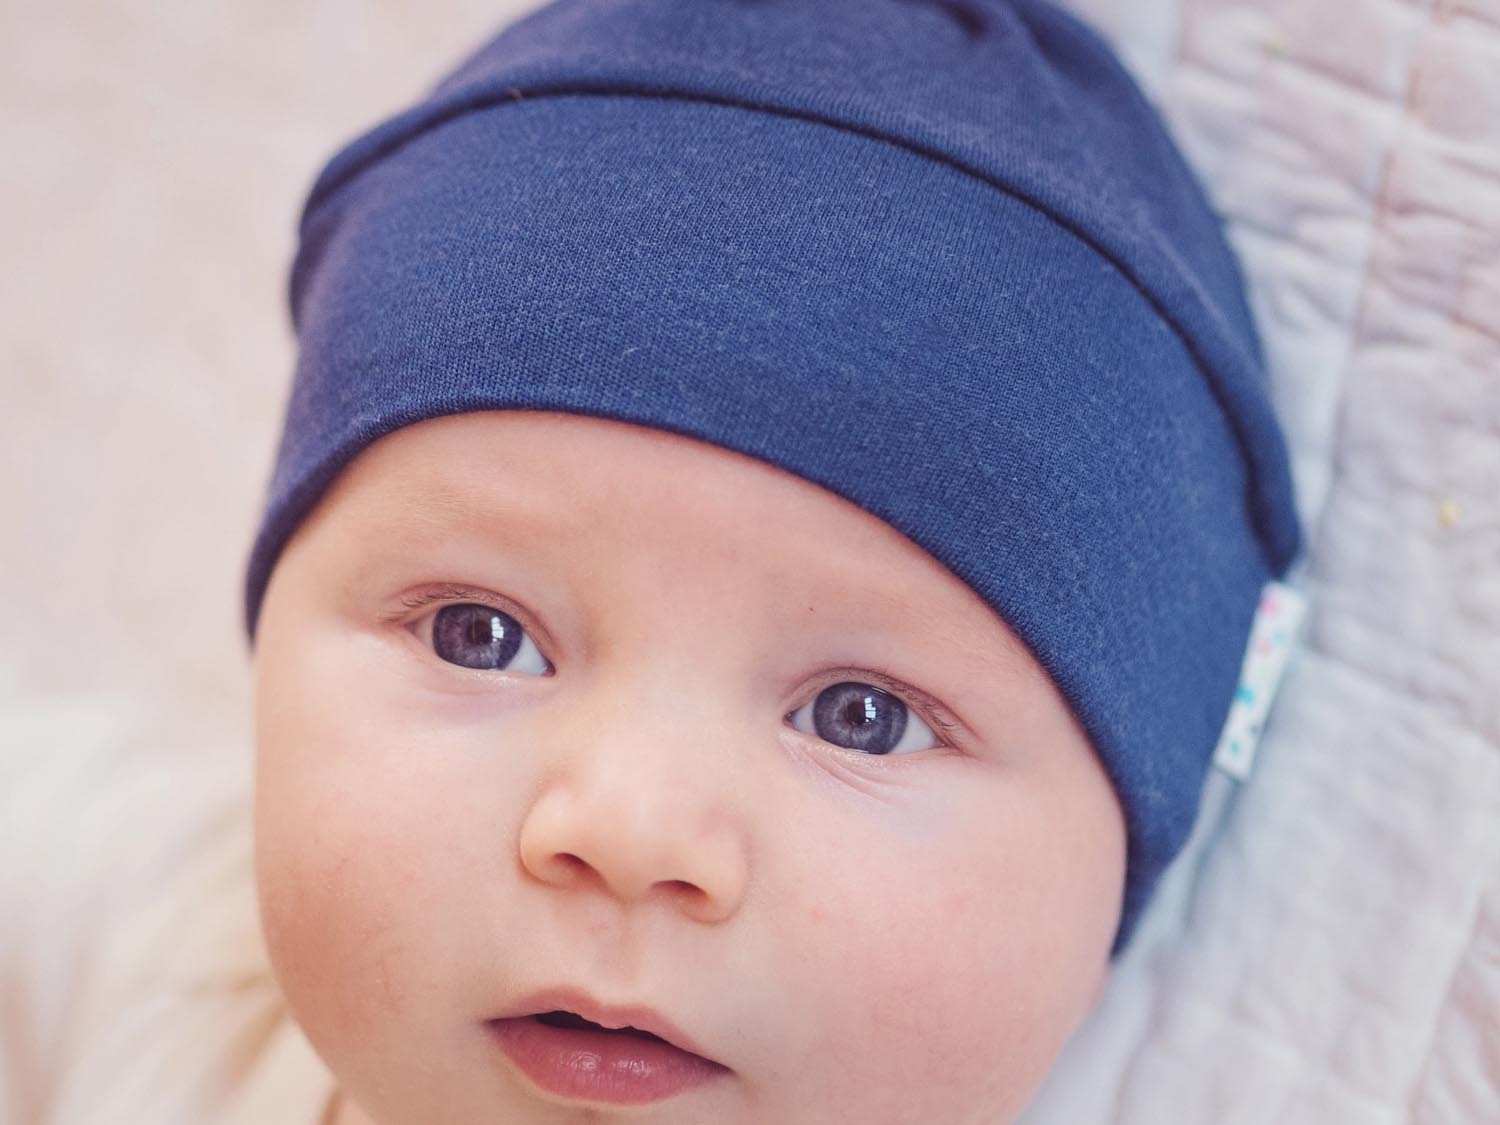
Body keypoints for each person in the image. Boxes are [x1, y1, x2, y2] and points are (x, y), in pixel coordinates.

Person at [72, 0, 1308, 1121]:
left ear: (1116, 891)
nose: (627, 829)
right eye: (478, 634)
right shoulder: (166, 970)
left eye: (864, 718)